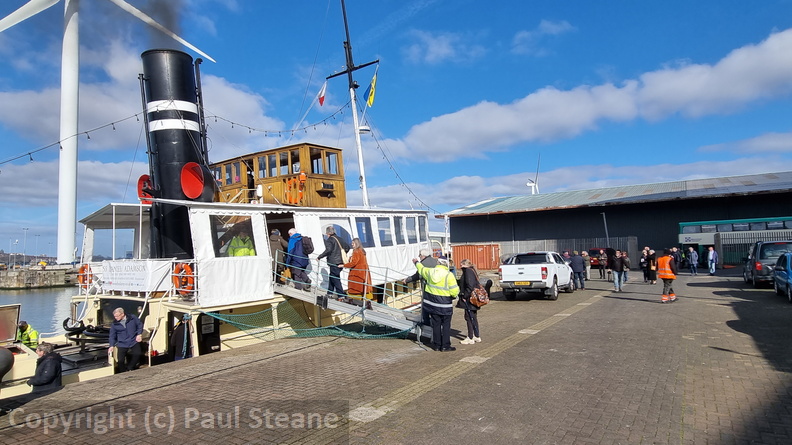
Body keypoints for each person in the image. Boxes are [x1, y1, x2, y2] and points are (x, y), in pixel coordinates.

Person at [414, 255, 459, 352]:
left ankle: (437, 345)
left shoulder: (430, 272)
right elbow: (454, 291)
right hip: (445, 305)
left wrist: (416, 262)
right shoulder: (449, 275)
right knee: (446, 325)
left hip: (432, 304)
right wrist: (453, 296)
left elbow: (421, 269)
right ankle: (445, 346)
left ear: (437, 263)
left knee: (436, 325)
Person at [402, 248, 438, 326]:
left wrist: (407, 280)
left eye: (420, 255)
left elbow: (418, 275)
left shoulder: (423, 263)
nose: (419, 256)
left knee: (425, 306)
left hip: (427, 288)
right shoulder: (435, 261)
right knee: (434, 306)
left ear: (423, 256)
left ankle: (426, 323)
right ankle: (435, 323)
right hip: (437, 289)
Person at [317, 226, 350, 300]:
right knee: (332, 276)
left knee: (335, 278)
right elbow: (347, 247)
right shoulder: (340, 239)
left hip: (333, 262)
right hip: (340, 262)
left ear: (328, 233)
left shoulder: (330, 240)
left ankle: (341, 294)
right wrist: (341, 255)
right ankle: (330, 293)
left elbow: (328, 250)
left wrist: (319, 257)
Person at [108, 307, 143, 372]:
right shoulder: (114, 324)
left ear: (122, 314)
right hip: (122, 343)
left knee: (137, 353)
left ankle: (130, 367)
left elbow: (139, 325)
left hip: (133, 340)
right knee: (120, 361)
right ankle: (122, 372)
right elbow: (112, 335)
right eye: (114, 316)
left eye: (117, 316)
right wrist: (111, 345)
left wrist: (139, 334)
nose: (116, 318)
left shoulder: (132, 318)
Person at [457, 259, 483, 345]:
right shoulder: (472, 270)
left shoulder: (467, 271)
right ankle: (476, 335)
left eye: (461, 265)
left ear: (464, 264)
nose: (460, 267)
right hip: (473, 298)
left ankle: (470, 337)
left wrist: (464, 296)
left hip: (470, 299)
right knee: (473, 317)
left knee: (469, 317)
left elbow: (470, 285)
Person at [342, 238, 373, 304]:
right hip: (364, 271)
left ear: (356, 244)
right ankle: (366, 302)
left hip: (357, 272)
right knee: (364, 286)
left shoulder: (356, 251)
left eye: (353, 243)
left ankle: (355, 301)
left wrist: (344, 265)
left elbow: (354, 263)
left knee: (356, 287)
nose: (352, 244)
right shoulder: (362, 250)